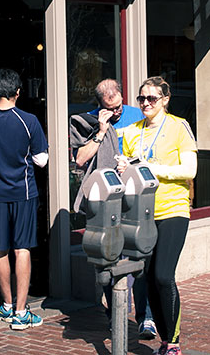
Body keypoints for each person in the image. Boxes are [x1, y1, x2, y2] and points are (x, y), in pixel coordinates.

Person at [117, 76, 197, 355]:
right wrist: (123, 167)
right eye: (141, 98)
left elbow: (190, 170)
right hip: (142, 213)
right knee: (147, 277)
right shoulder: (130, 131)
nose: (146, 103)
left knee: (164, 276)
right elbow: (126, 171)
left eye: (152, 98)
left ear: (165, 100)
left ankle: (173, 341)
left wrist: (152, 168)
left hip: (173, 209)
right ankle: (164, 339)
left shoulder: (178, 127)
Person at [71, 79, 155, 339]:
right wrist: (101, 129)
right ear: (100, 105)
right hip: (106, 199)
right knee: (107, 257)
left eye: (119, 105)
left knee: (139, 254)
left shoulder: (136, 115)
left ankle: (146, 317)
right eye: (111, 108)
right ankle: (115, 314)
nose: (117, 111)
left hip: (134, 195)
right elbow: (80, 159)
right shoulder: (87, 121)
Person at [0, 69, 49, 331]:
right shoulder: (29, 121)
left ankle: (6, 305)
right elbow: (41, 160)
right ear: (18, 92)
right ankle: (20, 312)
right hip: (24, 192)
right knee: (23, 248)